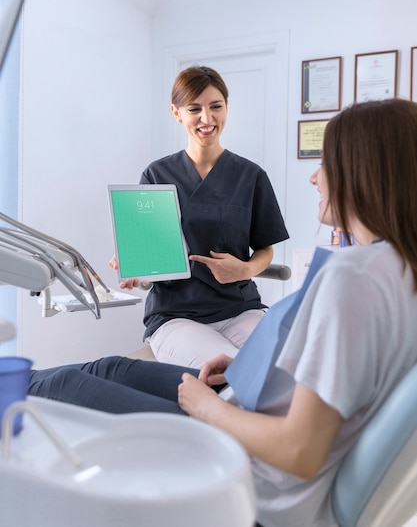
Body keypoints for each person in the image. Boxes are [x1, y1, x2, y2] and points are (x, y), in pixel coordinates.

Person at [29, 98, 417, 526]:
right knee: (112, 369)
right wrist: (254, 369)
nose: (314, 176)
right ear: (178, 113)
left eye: (326, 162)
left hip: (246, 465)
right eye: (193, 108)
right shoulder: (396, 268)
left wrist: (207, 409)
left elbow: (300, 452)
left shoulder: (354, 278)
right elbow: (351, 376)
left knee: (65, 384)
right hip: (248, 403)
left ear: (363, 172)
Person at [110, 65, 289, 367]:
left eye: (216, 107)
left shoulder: (251, 176)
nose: (207, 119)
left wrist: (244, 271)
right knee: (237, 372)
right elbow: (148, 264)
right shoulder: (157, 175)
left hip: (241, 309)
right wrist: (136, 271)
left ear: (227, 108)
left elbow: (265, 249)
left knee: (281, 365)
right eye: (194, 109)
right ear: (177, 113)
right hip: (176, 315)